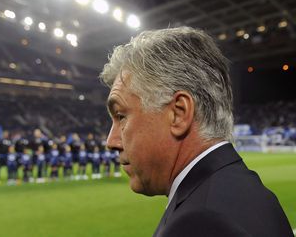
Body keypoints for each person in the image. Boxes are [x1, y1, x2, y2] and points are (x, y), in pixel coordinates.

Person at [101, 27, 293, 236]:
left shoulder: (200, 222)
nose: (111, 141)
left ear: (179, 113)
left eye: (121, 116)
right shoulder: (249, 191)